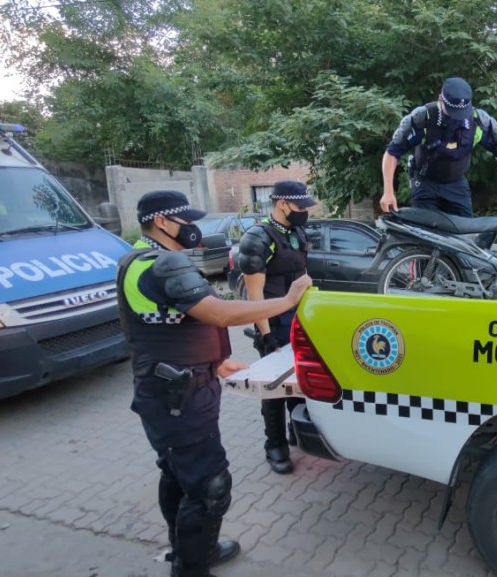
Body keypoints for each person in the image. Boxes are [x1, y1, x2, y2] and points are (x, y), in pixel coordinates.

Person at [116, 190, 313, 577]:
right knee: (210, 486)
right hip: (179, 398)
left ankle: (188, 551)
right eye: (186, 220)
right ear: (162, 222)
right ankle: (192, 567)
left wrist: (215, 361)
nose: (194, 227)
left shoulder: (135, 259)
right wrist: (287, 300)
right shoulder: (162, 263)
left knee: (178, 475)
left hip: (171, 388)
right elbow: (218, 312)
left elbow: (162, 323)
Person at [236, 180, 318, 475]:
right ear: (282, 204)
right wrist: (266, 335)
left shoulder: (297, 231)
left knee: (300, 379)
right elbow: (254, 295)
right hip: (272, 320)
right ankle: (275, 445)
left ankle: (298, 429)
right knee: (273, 388)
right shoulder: (257, 239)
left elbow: (302, 275)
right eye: (300, 206)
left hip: (299, 319)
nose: (304, 211)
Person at [379, 76, 497, 217]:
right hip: (425, 183)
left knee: (464, 235)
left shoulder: (479, 122)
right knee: (426, 234)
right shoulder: (423, 118)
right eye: (452, 111)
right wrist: (388, 191)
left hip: (456, 185)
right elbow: (392, 152)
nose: (456, 117)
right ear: (441, 99)